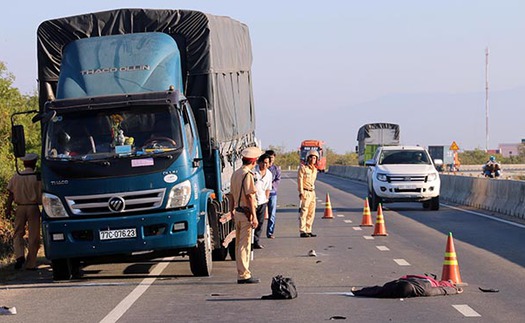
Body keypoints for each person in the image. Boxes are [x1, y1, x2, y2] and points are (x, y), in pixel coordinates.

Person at [229, 146, 262, 284]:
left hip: (237, 212)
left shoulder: (235, 173)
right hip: (246, 213)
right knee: (244, 245)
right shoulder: (247, 175)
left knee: (239, 245)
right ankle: (244, 275)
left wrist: (231, 210)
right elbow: (249, 197)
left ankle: (241, 272)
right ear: (254, 162)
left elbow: (230, 195)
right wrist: (254, 216)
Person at [6, 153, 42, 270]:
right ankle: (31, 263)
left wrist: (8, 208)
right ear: (34, 163)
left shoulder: (17, 176)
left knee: (18, 233)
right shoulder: (37, 176)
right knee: (34, 235)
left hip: (20, 207)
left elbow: (10, 194)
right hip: (33, 207)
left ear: (23, 163)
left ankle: (19, 256)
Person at [352, 274, 463, 298]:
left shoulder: (425, 290)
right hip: (420, 281)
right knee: (381, 291)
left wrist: (358, 292)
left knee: (381, 291)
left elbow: (442, 290)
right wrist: (454, 290)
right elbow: (441, 290)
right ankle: (450, 281)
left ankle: (359, 292)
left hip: (408, 280)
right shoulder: (425, 289)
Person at [253, 154, 273, 249]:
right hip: (252, 201)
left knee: (260, 223)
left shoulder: (269, 174)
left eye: (267, 163)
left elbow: (268, 189)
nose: (265, 165)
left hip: (262, 201)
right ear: (259, 162)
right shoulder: (253, 171)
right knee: (251, 222)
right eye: (263, 162)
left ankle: (256, 241)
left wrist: (266, 201)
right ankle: (249, 241)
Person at [297, 150, 319, 238]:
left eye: (315, 158)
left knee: (311, 212)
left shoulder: (315, 169)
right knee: (304, 212)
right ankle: (303, 230)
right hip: (305, 192)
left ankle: (308, 230)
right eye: (312, 157)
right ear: (308, 158)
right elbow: (300, 181)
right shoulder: (303, 168)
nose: (313, 159)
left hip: (312, 192)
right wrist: (301, 192)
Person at [265, 150, 281, 239]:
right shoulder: (262, 168)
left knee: (272, 214)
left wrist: (270, 186)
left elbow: (278, 180)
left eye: (272, 157)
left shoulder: (276, 169)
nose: (271, 159)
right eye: (269, 157)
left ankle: (270, 232)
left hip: (272, 193)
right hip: (262, 194)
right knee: (259, 214)